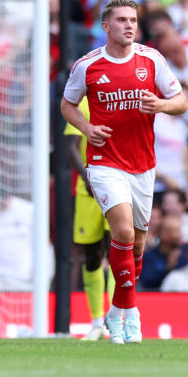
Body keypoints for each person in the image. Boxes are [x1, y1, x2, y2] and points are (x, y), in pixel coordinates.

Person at [61, 0, 188, 344]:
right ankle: (129, 315)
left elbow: (181, 102)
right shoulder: (88, 66)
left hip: (143, 165)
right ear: (106, 26)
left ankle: (117, 309)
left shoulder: (151, 59)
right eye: (121, 20)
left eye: (133, 19)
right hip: (105, 163)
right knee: (123, 233)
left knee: (137, 246)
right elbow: (67, 105)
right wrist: (87, 130)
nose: (129, 25)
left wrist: (161, 104)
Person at [64, 97, 114, 340]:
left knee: (118, 251)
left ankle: (117, 319)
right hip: (88, 192)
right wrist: (86, 177)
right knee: (92, 255)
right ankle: (96, 321)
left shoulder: (119, 99)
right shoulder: (81, 104)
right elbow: (71, 146)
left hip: (117, 185)